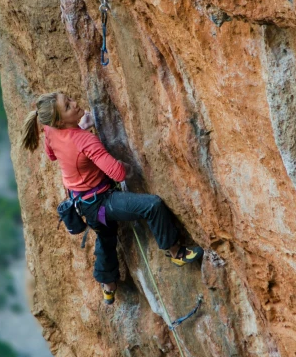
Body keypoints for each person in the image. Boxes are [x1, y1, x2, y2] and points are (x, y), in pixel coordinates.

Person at [21, 91, 203, 305]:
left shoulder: (50, 130)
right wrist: (126, 164)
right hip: (101, 202)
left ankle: (108, 286)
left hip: (83, 203)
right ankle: (175, 251)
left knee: (106, 235)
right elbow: (118, 173)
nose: (75, 103)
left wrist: (77, 132)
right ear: (60, 120)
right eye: (68, 106)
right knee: (153, 206)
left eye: (68, 98)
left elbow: (52, 154)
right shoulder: (84, 141)